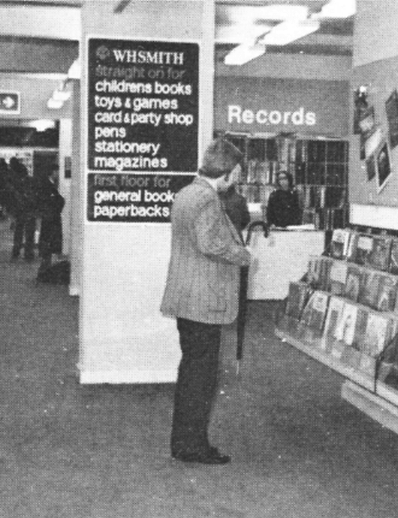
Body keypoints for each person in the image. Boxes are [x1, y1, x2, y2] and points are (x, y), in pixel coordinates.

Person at [160, 138, 252, 465]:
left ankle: (184, 441)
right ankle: (192, 446)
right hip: (204, 301)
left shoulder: (186, 194)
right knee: (200, 379)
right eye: (237, 172)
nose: (238, 178)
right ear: (226, 171)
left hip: (187, 297)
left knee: (191, 372)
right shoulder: (208, 200)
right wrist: (243, 255)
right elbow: (211, 245)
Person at [34, 164, 64, 278]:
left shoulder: (49, 185)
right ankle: (44, 270)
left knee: (48, 241)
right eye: (57, 171)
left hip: (49, 217)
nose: (58, 174)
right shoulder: (48, 186)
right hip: (51, 218)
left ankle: (45, 268)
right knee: (49, 241)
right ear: (53, 172)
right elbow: (54, 201)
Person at [9, 157, 36, 261]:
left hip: (20, 210)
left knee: (18, 231)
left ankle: (16, 251)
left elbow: (14, 198)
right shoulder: (31, 181)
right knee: (29, 233)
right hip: (30, 210)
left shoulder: (16, 183)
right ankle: (28, 254)